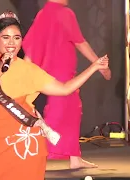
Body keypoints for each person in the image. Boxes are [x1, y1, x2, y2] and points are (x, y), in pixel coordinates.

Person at [0, 11, 109, 180]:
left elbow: (65, 89)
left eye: (16, 37)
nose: (11, 43)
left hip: (26, 140)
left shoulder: (29, 69)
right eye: (5, 37)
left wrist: (94, 67)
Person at [22, 0, 111, 168]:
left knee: (72, 111)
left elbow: (31, 48)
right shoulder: (64, 13)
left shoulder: (43, 14)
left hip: (52, 71)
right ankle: (39, 153)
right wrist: (99, 64)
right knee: (59, 113)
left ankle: (74, 158)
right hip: (61, 72)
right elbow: (80, 42)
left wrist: (25, 73)